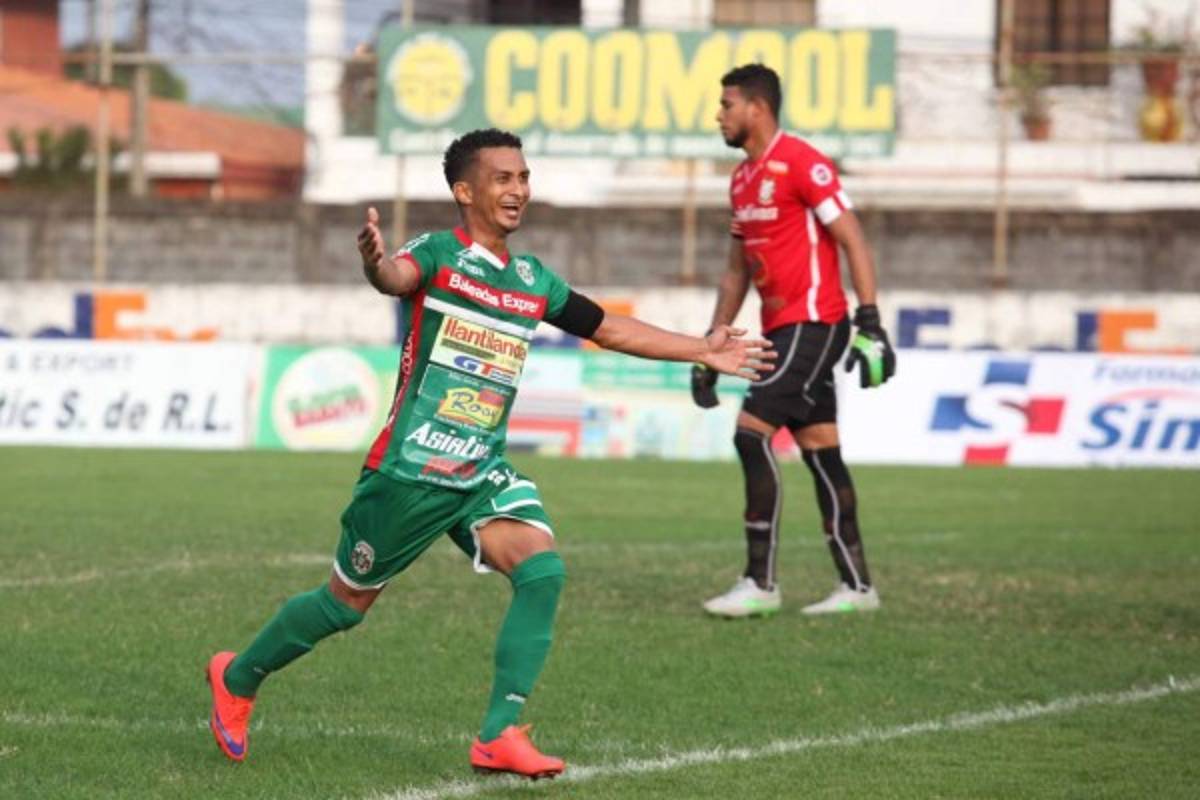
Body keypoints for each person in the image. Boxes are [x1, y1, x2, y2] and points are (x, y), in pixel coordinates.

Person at [206, 128, 774, 779]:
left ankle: (498, 735)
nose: (518, 189)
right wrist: (372, 262)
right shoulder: (441, 253)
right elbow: (395, 276)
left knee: (542, 570)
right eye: (503, 178)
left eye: (524, 177)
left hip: (480, 471)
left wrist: (703, 348)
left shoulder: (532, 278)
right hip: (411, 470)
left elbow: (608, 327)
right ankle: (239, 675)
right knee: (343, 606)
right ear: (465, 190)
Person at [694, 64, 896, 619]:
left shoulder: (803, 162)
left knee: (750, 433)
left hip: (816, 322)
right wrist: (713, 344)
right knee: (822, 451)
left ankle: (760, 583)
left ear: (757, 108)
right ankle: (857, 587)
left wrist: (871, 319)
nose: (720, 115)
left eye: (727, 104)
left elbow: (852, 238)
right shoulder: (740, 180)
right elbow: (736, 271)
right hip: (782, 328)